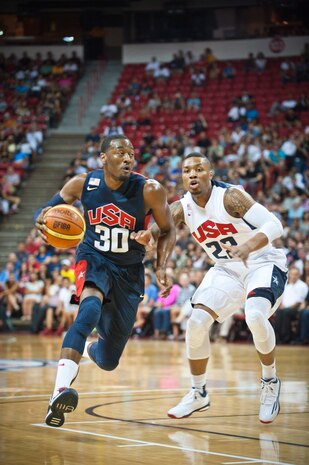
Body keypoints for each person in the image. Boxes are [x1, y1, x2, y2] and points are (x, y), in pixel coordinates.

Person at [133, 152, 287, 424]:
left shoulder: (230, 197)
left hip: (262, 262)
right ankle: (198, 392)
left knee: (254, 315)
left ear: (210, 173)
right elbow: (163, 230)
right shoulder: (182, 206)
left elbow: (275, 224)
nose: (192, 174)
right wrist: (150, 239)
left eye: (199, 169)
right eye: (186, 170)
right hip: (226, 268)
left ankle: (270, 381)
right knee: (196, 322)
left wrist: (248, 247)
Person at [35, 135, 175, 427]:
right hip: (94, 257)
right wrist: (41, 219)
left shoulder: (149, 190)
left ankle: (89, 349)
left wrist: (160, 263)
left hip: (130, 271)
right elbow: (46, 211)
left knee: (109, 360)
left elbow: (167, 229)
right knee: (88, 311)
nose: (127, 158)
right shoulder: (82, 184)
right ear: (103, 157)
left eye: (131, 153)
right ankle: (58, 393)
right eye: (119, 152)